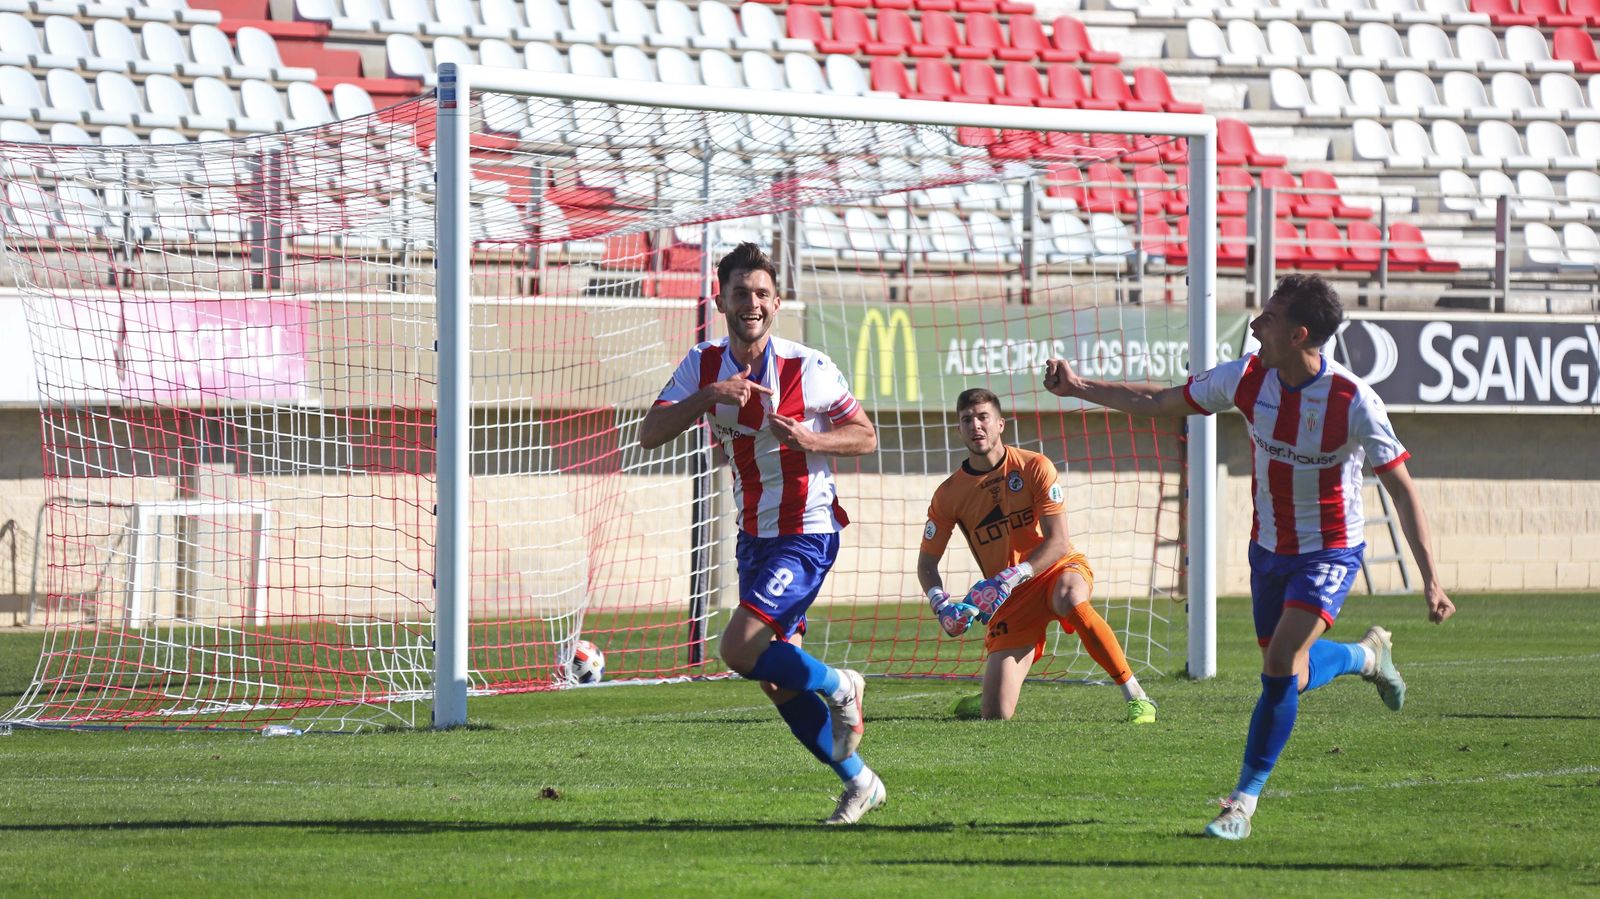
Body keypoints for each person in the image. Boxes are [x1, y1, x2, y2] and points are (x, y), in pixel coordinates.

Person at [1042, 273, 1456, 841]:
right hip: (1268, 550)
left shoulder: (1353, 401)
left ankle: (1241, 803)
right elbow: (1160, 401)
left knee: (1280, 664)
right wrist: (1078, 387)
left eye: (1269, 318)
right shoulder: (1247, 377)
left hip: (1330, 551)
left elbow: (1402, 490)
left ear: (1298, 334)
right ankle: (1367, 656)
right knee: (1292, 673)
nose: (1256, 324)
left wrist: (1431, 579)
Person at [638, 242, 885, 825]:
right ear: (720, 301)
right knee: (776, 680)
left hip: (806, 532)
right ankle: (861, 782)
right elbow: (650, 433)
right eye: (740, 293)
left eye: (762, 294)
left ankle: (842, 684)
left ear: (776, 303)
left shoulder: (808, 367)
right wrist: (708, 396)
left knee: (736, 647)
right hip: (753, 537)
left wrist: (813, 439)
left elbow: (866, 435)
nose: (751, 303)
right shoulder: (702, 364)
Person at [917, 387, 1158, 724]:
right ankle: (990, 695)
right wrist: (941, 604)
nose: (976, 426)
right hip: (1010, 597)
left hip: (1055, 569)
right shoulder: (948, 494)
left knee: (1069, 597)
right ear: (959, 429)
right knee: (995, 714)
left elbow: (1058, 542)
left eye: (983, 417)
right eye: (967, 420)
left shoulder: (1034, 466)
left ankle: (1137, 696)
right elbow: (927, 563)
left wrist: (1012, 575)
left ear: (1000, 424)